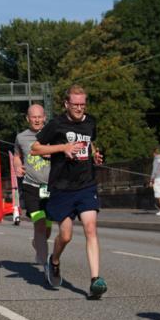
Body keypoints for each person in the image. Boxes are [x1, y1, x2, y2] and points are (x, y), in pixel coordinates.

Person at [31, 86, 107, 298]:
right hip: (62, 188)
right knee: (66, 235)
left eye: (83, 105)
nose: (80, 109)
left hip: (86, 184)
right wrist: (62, 148)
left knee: (90, 228)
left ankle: (95, 280)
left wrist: (95, 155)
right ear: (66, 104)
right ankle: (54, 260)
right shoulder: (56, 124)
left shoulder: (90, 121)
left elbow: (91, 143)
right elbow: (35, 148)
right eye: (75, 105)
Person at [13, 104, 53, 265]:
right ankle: (46, 265)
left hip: (50, 188)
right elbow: (17, 155)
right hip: (31, 187)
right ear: (28, 119)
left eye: (39, 117)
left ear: (44, 117)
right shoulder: (21, 137)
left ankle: (38, 243)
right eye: (33, 117)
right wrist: (17, 165)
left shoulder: (53, 135)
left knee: (47, 227)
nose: (36, 120)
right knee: (40, 223)